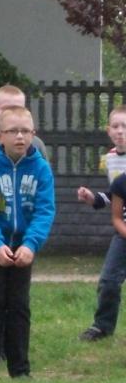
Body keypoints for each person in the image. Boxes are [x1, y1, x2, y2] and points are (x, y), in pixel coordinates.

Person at [0, 106, 55, 380]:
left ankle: (20, 369)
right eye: (13, 131)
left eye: (25, 131)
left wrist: (31, 245)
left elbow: (45, 211)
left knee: (19, 303)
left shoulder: (41, 169)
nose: (19, 137)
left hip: (23, 245)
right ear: (0, 136)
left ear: (33, 134)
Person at [76, 105, 126, 341]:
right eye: (116, 126)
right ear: (108, 131)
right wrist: (93, 198)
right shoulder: (110, 160)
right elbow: (113, 195)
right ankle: (102, 327)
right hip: (123, 232)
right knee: (108, 281)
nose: (120, 131)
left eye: (125, 127)